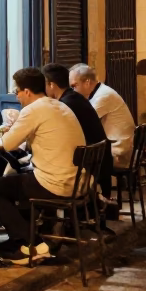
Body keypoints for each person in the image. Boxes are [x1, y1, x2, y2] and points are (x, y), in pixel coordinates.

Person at [0, 67, 85, 264]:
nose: (16, 97)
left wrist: (10, 128)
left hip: (55, 183)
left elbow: (7, 143)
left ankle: (29, 243)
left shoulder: (33, 110)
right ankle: (20, 240)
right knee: (11, 181)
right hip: (77, 181)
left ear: (26, 91)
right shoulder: (59, 105)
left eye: (17, 92)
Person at [42, 62, 112, 200]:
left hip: (88, 167)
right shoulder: (75, 97)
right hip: (99, 161)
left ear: (51, 85)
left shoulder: (65, 105)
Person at [69, 64, 134, 167]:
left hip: (119, 151)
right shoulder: (101, 92)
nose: (73, 91)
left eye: (74, 86)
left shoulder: (103, 96)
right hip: (119, 145)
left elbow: (83, 123)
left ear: (87, 82)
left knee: (73, 157)